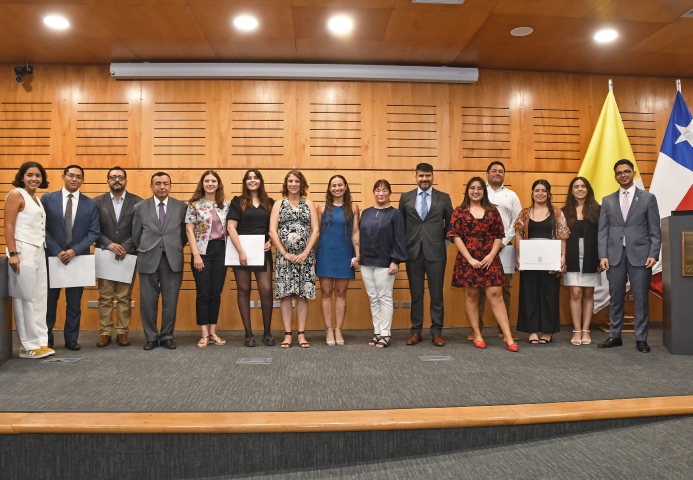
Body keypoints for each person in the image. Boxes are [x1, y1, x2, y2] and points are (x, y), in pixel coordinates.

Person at [448, 177, 519, 352]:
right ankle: (477, 334)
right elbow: (455, 236)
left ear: (483, 191)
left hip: (490, 259)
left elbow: (499, 235)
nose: (476, 191)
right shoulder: (459, 211)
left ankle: (508, 337)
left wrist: (491, 256)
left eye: (479, 188)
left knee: (497, 296)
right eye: (472, 188)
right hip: (468, 260)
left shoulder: (493, 210)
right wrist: (470, 259)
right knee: (471, 296)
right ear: (467, 191)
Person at [598, 160, 661, 353]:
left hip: (641, 256)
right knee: (615, 296)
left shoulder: (648, 198)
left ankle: (641, 338)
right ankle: (615, 336)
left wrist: (654, 253)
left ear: (633, 173)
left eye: (626, 171)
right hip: (614, 255)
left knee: (641, 298)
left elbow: (654, 229)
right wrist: (603, 255)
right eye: (619, 173)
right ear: (615, 176)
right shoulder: (607, 200)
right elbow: (603, 230)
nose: (623, 175)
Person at [41, 165, 100, 351]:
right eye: (71, 175)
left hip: (78, 258)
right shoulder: (48, 199)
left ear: (82, 180)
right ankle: (47, 338)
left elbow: (94, 232)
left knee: (74, 303)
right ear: (63, 176)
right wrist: (58, 251)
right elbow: (43, 228)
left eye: (78, 177)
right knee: (49, 302)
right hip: (53, 257)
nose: (74, 179)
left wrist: (74, 250)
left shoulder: (90, 203)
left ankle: (71, 339)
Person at [398, 163, 454, 347]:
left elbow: (451, 226)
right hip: (413, 252)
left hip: (436, 253)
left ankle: (437, 332)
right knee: (416, 294)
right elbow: (401, 225)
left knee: (437, 294)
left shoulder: (443, 198)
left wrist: (442, 243)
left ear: (433, 176)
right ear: (415, 176)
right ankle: (416, 332)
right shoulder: (405, 198)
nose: (424, 179)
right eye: (421, 175)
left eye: (428, 175)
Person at [4, 162, 54, 358]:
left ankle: (40, 341)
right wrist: (13, 253)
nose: (34, 179)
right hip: (23, 250)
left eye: (38, 175)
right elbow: (8, 226)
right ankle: (27, 345)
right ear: (22, 176)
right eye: (30, 175)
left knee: (40, 297)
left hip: (39, 250)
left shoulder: (36, 199)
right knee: (24, 298)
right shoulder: (16, 194)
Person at [132, 172, 188, 351]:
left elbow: (184, 235)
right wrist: (147, 247)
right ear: (151, 186)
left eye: (165, 183)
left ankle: (167, 336)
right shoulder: (140, 207)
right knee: (147, 301)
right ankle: (150, 337)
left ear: (170, 186)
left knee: (170, 301)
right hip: (148, 258)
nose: (162, 187)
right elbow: (136, 235)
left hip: (172, 258)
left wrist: (173, 246)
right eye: (158, 183)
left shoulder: (180, 207)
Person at [469, 161, 522, 342]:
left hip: (504, 248)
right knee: (477, 288)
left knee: (503, 288)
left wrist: (503, 242)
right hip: (478, 249)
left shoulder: (511, 195)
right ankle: (477, 329)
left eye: (501, 171)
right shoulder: (478, 192)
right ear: (487, 173)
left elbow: (517, 222)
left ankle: (503, 329)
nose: (497, 173)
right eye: (494, 171)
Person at [514, 179, 570, 344]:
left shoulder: (557, 213)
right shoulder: (524, 213)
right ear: (532, 193)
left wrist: (563, 256)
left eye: (543, 190)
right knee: (529, 295)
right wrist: (518, 256)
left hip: (550, 260)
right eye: (537, 190)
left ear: (548, 193)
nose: (540, 193)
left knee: (549, 295)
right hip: (529, 260)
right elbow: (517, 233)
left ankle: (547, 331)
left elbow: (563, 235)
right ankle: (531, 331)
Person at [269, 170, 319, 349]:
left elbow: (315, 230)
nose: (293, 184)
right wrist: (284, 252)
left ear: (302, 184)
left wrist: (306, 253)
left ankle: (302, 334)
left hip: (304, 258)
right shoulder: (278, 204)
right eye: (290, 181)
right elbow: (272, 231)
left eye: (297, 181)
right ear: (286, 184)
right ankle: (288, 334)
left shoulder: (310, 204)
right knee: (285, 295)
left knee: (302, 296)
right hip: (285, 258)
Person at [94, 167, 142, 347]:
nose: (117, 180)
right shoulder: (97, 202)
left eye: (120, 177)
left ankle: (122, 332)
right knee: (105, 297)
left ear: (126, 181)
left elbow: (139, 229)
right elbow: (93, 229)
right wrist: (109, 244)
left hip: (127, 256)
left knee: (124, 296)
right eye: (113, 177)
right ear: (107, 180)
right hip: (105, 253)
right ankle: (105, 332)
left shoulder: (137, 202)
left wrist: (125, 247)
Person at [227, 169, 275, 347]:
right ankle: (248, 334)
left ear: (261, 181)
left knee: (266, 290)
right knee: (243, 290)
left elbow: (275, 228)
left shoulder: (270, 203)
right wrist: (240, 251)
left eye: (256, 178)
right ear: (245, 182)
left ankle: (268, 333)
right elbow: (231, 227)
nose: (252, 181)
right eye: (249, 178)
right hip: (241, 252)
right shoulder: (237, 201)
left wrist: (271, 241)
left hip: (263, 252)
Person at [360, 180, 407, 348]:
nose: (381, 194)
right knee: (373, 298)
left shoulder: (395, 214)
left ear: (389, 193)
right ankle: (377, 332)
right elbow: (359, 237)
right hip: (366, 262)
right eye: (378, 190)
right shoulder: (365, 213)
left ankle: (386, 334)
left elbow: (399, 238)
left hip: (386, 263)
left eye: (384, 190)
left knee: (384, 297)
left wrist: (395, 261)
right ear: (373, 192)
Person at [186, 170, 229, 349]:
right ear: (202, 184)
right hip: (202, 251)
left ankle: (212, 332)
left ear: (218, 184)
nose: (210, 183)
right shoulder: (194, 205)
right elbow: (189, 230)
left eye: (213, 181)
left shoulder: (225, 204)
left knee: (215, 294)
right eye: (207, 181)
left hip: (221, 251)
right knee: (203, 294)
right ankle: (203, 334)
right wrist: (196, 254)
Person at [316, 175, 360, 346]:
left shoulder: (354, 208)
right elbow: (317, 232)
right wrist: (313, 256)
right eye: (333, 185)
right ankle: (328, 330)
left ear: (346, 186)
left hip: (344, 253)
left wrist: (357, 254)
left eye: (340, 185)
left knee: (341, 293)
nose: (337, 188)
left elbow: (356, 232)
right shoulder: (321, 208)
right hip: (325, 253)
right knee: (326, 292)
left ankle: (338, 329)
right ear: (329, 188)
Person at [562, 177, 601, 346]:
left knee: (588, 293)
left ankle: (586, 330)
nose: (579, 189)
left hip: (591, 255)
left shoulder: (598, 210)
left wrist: (602, 257)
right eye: (576, 187)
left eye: (583, 186)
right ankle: (576, 330)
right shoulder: (564, 212)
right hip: (572, 256)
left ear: (588, 189)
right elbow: (560, 237)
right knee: (576, 292)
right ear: (571, 190)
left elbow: (603, 235)